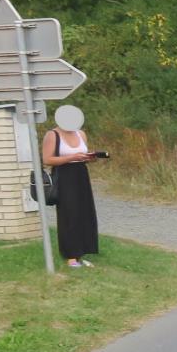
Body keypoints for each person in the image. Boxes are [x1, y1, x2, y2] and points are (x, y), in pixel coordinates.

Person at [42, 105, 100, 268]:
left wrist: (89, 158)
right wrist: (71, 157)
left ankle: (82, 251)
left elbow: (83, 154)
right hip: (64, 175)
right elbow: (47, 159)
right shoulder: (52, 135)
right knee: (70, 213)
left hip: (81, 173)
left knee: (84, 212)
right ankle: (71, 256)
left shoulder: (81, 134)